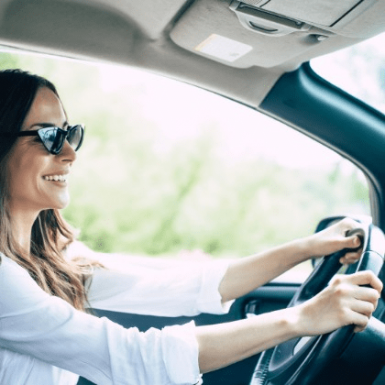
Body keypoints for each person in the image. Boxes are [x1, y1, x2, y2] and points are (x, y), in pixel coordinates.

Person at [0, 68, 382, 385]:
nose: (69, 153)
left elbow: (174, 288)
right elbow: (132, 358)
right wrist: (299, 319)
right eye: (49, 137)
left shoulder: (48, 254)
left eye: (70, 134)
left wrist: (305, 249)